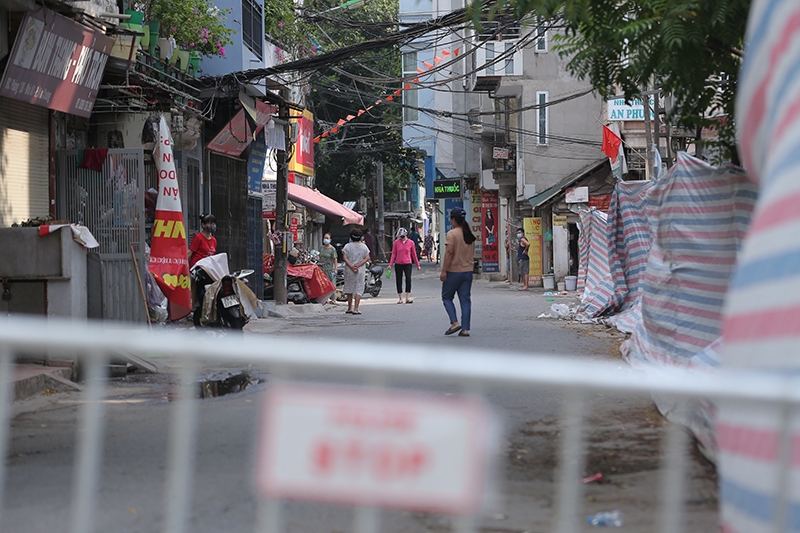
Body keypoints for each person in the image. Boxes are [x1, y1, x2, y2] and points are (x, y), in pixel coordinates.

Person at [440, 207, 476, 337]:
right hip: (467, 272)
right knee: (465, 300)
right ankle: (465, 329)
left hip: (454, 271)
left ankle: (454, 322)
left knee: (446, 297)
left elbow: (449, 253)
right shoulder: (469, 234)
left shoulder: (452, 234)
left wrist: (444, 271)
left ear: (453, 220)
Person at [342, 228, 370, 315]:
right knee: (359, 288)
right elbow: (367, 258)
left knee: (349, 287)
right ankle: (356, 308)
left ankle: (349, 308)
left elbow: (344, 257)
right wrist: (358, 265)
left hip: (349, 270)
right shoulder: (364, 247)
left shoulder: (347, 246)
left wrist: (351, 265)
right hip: (360, 270)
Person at [388, 227, 421, 304]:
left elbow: (414, 254)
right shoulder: (396, 242)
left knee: (408, 280)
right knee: (398, 280)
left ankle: (407, 297)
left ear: (406, 234)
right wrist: (390, 264)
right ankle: (400, 298)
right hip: (398, 263)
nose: (401, 237)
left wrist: (417, 264)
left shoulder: (411, 243)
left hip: (407, 263)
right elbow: (393, 254)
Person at [318, 233, 338, 303]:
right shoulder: (321, 248)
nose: (325, 239)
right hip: (322, 269)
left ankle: (333, 299)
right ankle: (325, 298)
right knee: (323, 284)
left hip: (330, 269)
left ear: (330, 239)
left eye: (327, 238)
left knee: (331, 284)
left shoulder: (332, 249)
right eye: (324, 238)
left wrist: (335, 269)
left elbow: (335, 259)